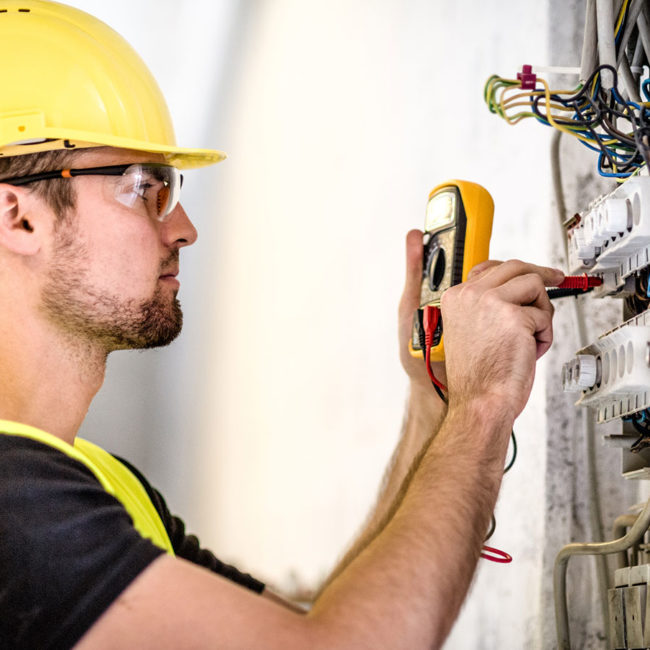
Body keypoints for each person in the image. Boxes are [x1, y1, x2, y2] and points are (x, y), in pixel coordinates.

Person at [0, 2, 564, 648]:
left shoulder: (103, 485)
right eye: (144, 186)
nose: (184, 229)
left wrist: (433, 400)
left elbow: (318, 626)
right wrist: (485, 402)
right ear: (20, 219)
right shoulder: (14, 508)